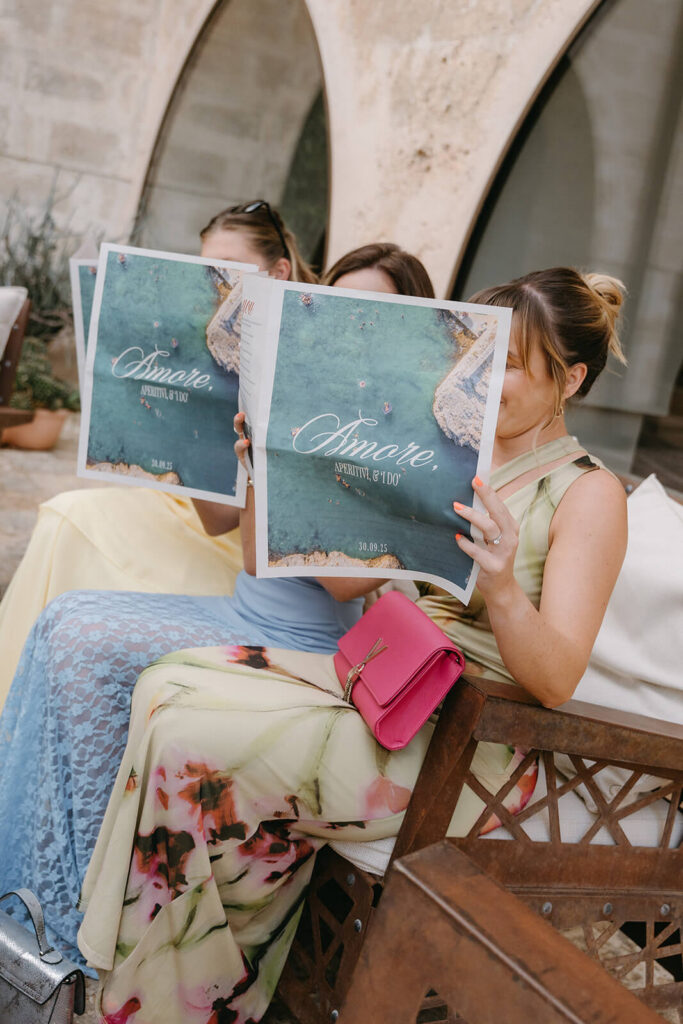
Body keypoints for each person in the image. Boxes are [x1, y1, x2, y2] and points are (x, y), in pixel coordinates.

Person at [76, 267, 628, 1024]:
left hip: (467, 742)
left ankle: (163, 1003)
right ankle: (185, 989)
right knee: (164, 685)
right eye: (479, 354)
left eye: (506, 363)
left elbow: (558, 678)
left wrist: (499, 587)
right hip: (385, 681)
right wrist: (271, 465)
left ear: (568, 378)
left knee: (188, 740)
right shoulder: (457, 452)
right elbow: (340, 581)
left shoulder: (587, 493)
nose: (480, 378)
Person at [0, 241, 436, 972]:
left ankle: (71, 931)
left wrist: (277, 457)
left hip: (304, 648)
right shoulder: (302, 401)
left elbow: (338, 584)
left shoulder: (400, 442)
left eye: (372, 311)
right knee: (64, 621)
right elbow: (220, 528)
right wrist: (223, 430)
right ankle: (23, 897)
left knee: (89, 650)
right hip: (239, 615)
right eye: (337, 305)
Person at [0, 200, 317, 706]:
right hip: (182, 506)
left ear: (279, 272)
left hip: (235, 540)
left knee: (71, 519)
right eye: (209, 271)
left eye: (234, 269)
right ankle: (25, 707)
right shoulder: (211, 335)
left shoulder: (295, 357)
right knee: (64, 515)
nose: (221, 284)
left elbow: (222, 521)